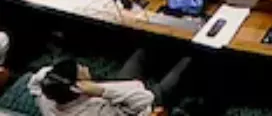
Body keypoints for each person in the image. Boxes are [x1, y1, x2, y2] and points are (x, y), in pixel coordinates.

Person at [32, 51, 191, 116]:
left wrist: (54, 76)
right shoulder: (98, 112)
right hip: (141, 103)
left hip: (120, 88)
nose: (85, 66)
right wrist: (102, 92)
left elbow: (35, 81)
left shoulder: (47, 99)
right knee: (185, 65)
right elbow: (146, 99)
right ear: (78, 86)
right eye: (80, 69)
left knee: (142, 53)